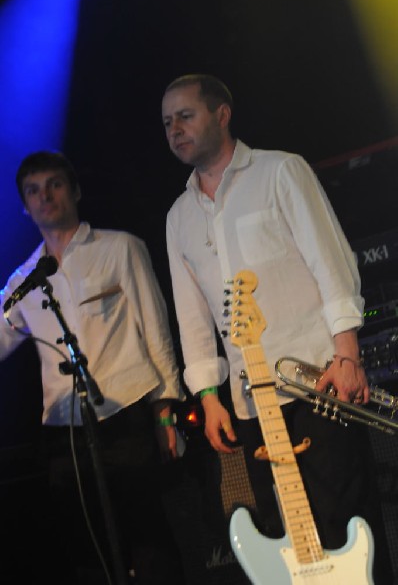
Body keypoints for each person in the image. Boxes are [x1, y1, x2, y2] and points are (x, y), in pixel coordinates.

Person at [161, 73, 393, 583]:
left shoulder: (280, 171)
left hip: (320, 381)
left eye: (185, 115)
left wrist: (347, 352)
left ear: (222, 115)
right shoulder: (179, 217)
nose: (175, 129)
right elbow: (191, 315)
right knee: (283, 537)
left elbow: (330, 260)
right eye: (167, 122)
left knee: (347, 527)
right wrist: (208, 394)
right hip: (249, 402)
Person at [0, 151, 185, 585]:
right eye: (33, 191)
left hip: (129, 416)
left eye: (54, 185)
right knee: (89, 550)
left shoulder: (119, 248)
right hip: (65, 431)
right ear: (24, 207)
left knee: (149, 538)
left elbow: (155, 328)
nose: (45, 197)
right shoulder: (23, 280)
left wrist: (166, 409)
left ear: (75, 191)